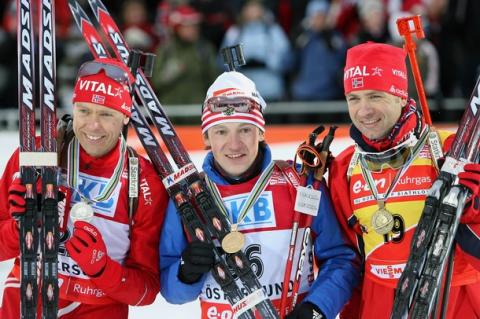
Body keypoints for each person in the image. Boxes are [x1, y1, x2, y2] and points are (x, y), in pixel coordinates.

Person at [159, 70, 360, 318]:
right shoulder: (189, 197)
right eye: (221, 131)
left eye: (245, 130)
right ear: (207, 138)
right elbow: (170, 289)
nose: (234, 145)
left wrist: (316, 308)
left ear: (261, 132)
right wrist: (184, 271)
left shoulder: (299, 183)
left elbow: (342, 259)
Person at [0, 58, 168, 318]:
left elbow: (146, 291)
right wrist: (20, 229)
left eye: (106, 114)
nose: (93, 125)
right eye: (84, 111)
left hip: (99, 308)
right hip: (27, 298)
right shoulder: (35, 154)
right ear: (73, 107)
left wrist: (101, 268)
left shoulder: (144, 182)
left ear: (125, 116)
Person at [329, 42, 480, 318]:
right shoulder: (344, 167)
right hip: (380, 303)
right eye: (354, 98)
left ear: (400, 96)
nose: (364, 111)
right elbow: (345, 258)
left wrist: (473, 215)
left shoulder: (451, 151)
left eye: (375, 96)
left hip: (452, 300)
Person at [152, 4, 218, 105]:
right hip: (171, 111)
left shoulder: (205, 49)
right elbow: (156, 83)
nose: (194, 29)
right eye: (188, 26)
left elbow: (214, 82)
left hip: (197, 111)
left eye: (195, 26)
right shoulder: (165, 50)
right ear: (177, 28)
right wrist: (171, 72)